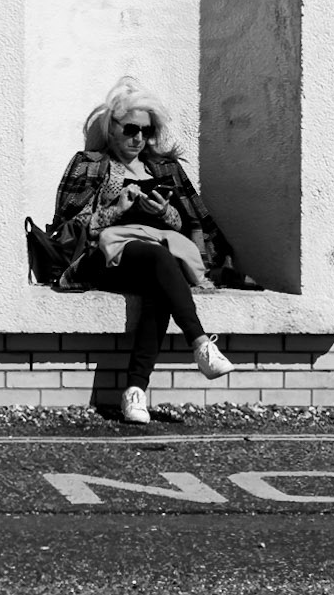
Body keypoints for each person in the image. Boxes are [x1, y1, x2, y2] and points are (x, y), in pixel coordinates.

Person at [48, 76, 238, 424]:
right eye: (131, 129)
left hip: (154, 258)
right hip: (103, 259)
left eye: (146, 132)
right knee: (157, 258)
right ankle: (200, 343)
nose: (138, 138)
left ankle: (135, 393)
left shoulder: (163, 168)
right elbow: (70, 228)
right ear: (112, 128)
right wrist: (116, 208)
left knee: (157, 285)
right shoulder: (91, 164)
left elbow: (187, 224)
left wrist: (162, 211)